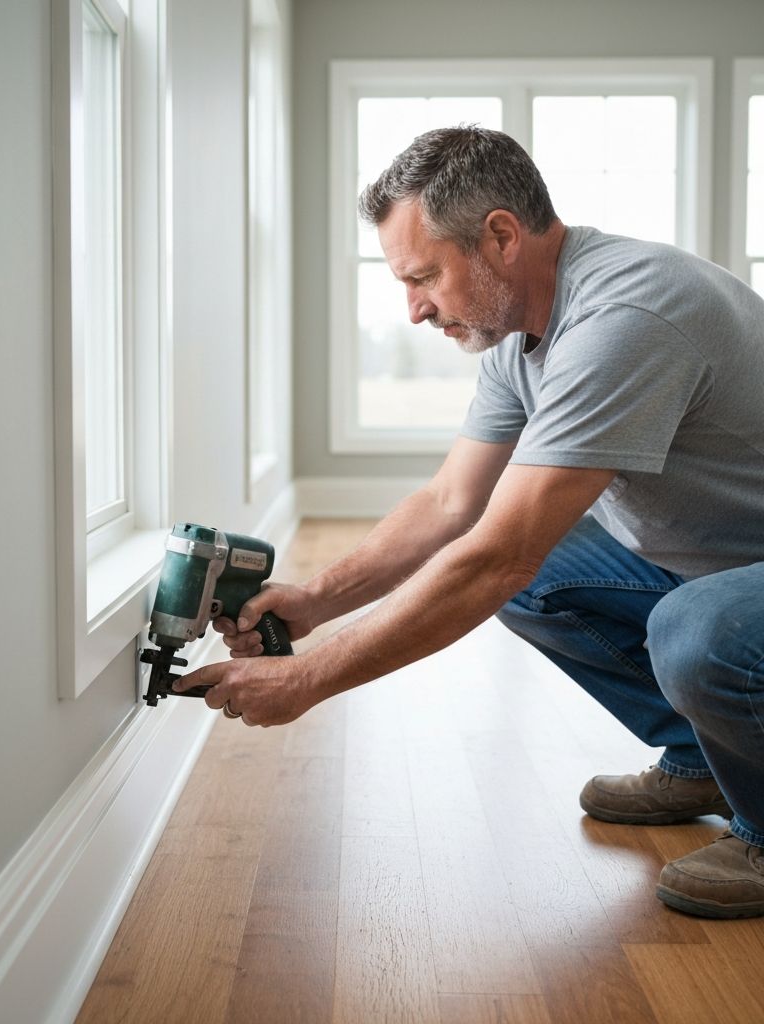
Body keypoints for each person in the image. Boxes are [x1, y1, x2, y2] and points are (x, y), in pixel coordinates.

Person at [175, 125, 764, 919]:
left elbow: (497, 557)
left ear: (499, 236)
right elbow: (452, 506)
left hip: (736, 582)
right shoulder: (516, 338)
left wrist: (308, 679)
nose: (414, 309)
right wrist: (314, 602)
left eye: (424, 277)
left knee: (695, 629)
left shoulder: (627, 314)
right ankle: (705, 754)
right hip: (728, 559)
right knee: (545, 578)